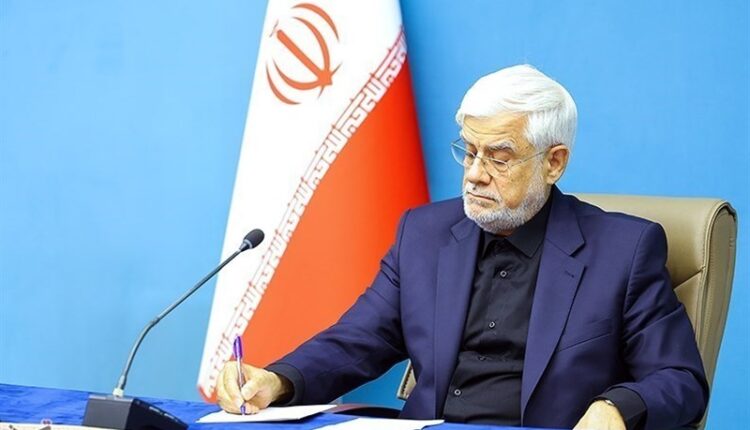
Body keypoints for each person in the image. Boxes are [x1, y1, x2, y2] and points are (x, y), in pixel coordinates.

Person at [215, 65, 708, 430]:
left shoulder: (624, 250)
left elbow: (680, 379)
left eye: (498, 157)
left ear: (554, 162)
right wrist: (278, 379)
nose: (474, 174)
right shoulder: (424, 233)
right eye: (469, 151)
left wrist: (615, 408)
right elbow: (357, 340)